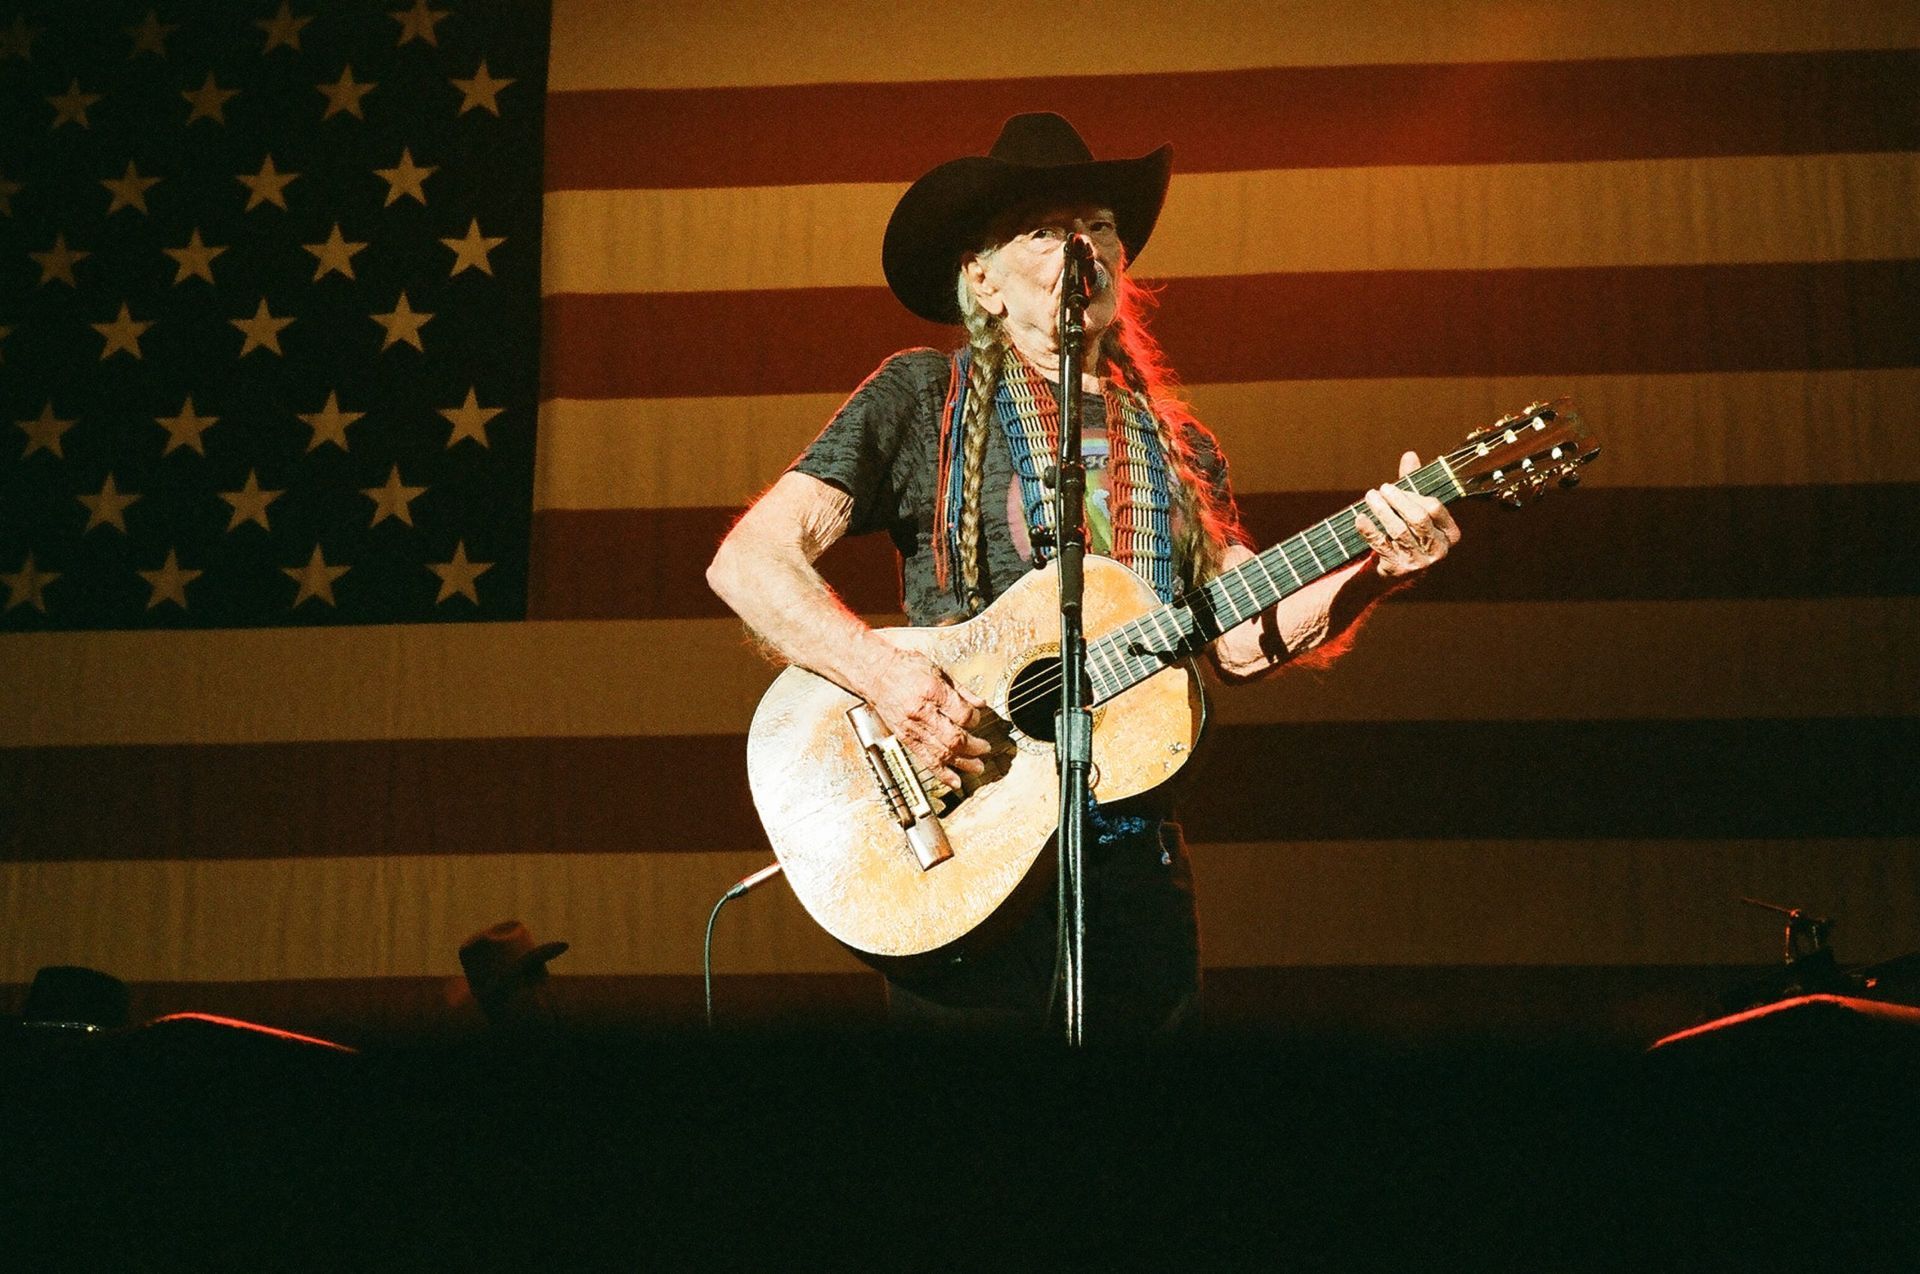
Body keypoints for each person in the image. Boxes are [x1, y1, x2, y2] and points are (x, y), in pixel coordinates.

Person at [707, 113, 1458, 1035]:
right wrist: (889, 681)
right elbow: (749, 561)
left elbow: (1241, 639)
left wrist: (1375, 566)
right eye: (1046, 228)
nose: (1083, 245)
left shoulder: (1177, 449)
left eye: (1100, 226)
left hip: (1130, 878)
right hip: (961, 845)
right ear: (980, 280)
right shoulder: (920, 399)